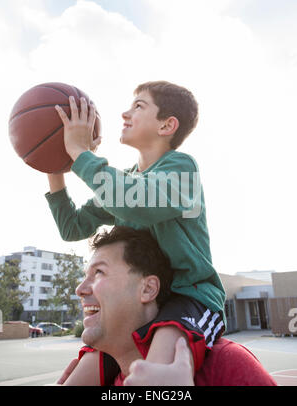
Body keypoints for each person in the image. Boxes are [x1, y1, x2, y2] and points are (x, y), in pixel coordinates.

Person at [45, 81, 226, 382]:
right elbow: (72, 226)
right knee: (82, 374)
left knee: (157, 363)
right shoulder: (124, 181)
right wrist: (54, 164)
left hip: (188, 296)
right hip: (139, 302)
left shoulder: (181, 169)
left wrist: (80, 153)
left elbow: (136, 202)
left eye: (138, 106)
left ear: (167, 125)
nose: (125, 113)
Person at [56, 226, 276, 387]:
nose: (80, 289)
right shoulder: (96, 379)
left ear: (148, 289)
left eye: (99, 273)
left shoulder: (226, 366)